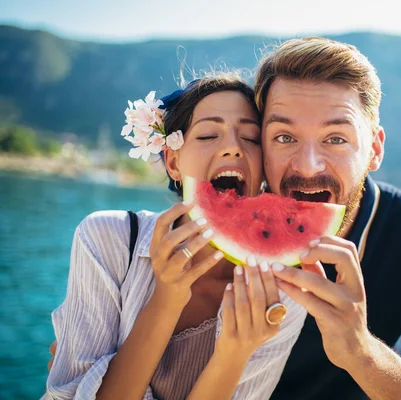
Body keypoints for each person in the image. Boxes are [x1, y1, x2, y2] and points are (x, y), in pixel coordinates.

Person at [44, 73, 307, 400]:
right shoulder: (107, 240)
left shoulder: (284, 293)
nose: (232, 148)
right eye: (209, 134)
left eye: (251, 139)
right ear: (172, 161)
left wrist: (234, 354)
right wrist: (166, 296)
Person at [254, 37, 401, 399]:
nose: (308, 165)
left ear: (374, 150)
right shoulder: (221, 231)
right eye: (284, 137)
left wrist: (361, 351)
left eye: (336, 139)